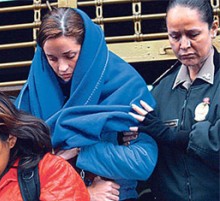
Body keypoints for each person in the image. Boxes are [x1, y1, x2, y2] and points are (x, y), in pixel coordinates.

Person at [15, 7, 158, 201]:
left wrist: (80, 150)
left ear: (88, 49)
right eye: (52, 58)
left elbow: (142, 162)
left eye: (70, 56)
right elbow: (16, 167)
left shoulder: (126, 87)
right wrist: (83, 193)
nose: (62, 67)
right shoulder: (32, 95)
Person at [129, 0, 219, 200]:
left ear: (213, 28)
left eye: (193, 35)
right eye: (175, 36)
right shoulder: (160, 91)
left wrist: (170, 135)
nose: (184, 45)